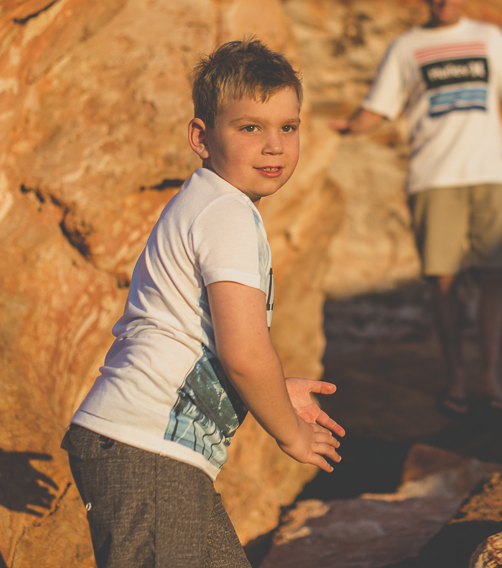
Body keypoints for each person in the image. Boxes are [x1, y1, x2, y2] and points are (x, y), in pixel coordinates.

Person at [62, 39, 344, 568]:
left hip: (150, 454)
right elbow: (243, 352)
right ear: (201, 137)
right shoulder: (227, 213)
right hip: (145, 451)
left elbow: (201, 342)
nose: (275, 146)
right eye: (250, 127)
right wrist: (293, 434)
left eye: (288, 126)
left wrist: (273, 391)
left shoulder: (213, 205)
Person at [332, 0, 502, 415]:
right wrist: (345, 127)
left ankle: (489, 378)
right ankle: (456, 381)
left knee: (493, 279)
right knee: (443, 284)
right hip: (433, 179)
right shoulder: (406, 47)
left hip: (488, 175)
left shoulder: (490, 39)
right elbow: (379, 108)